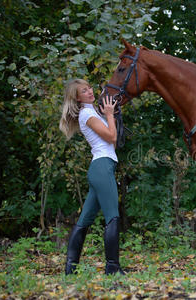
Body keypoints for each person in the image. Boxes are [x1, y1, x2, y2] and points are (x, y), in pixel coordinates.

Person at [59, 78, 124, 275]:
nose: (89, 92)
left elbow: (112, 140)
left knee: (84, 220)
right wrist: (110, 115)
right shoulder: (87, 113)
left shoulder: (92, 112)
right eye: (84, 91)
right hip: (102, 167)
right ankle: (112, 268)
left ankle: (70, 269)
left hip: (101, 167)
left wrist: (108, 115)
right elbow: (111, 137)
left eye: (89, 88)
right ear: (77, 98)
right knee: (112, 216)